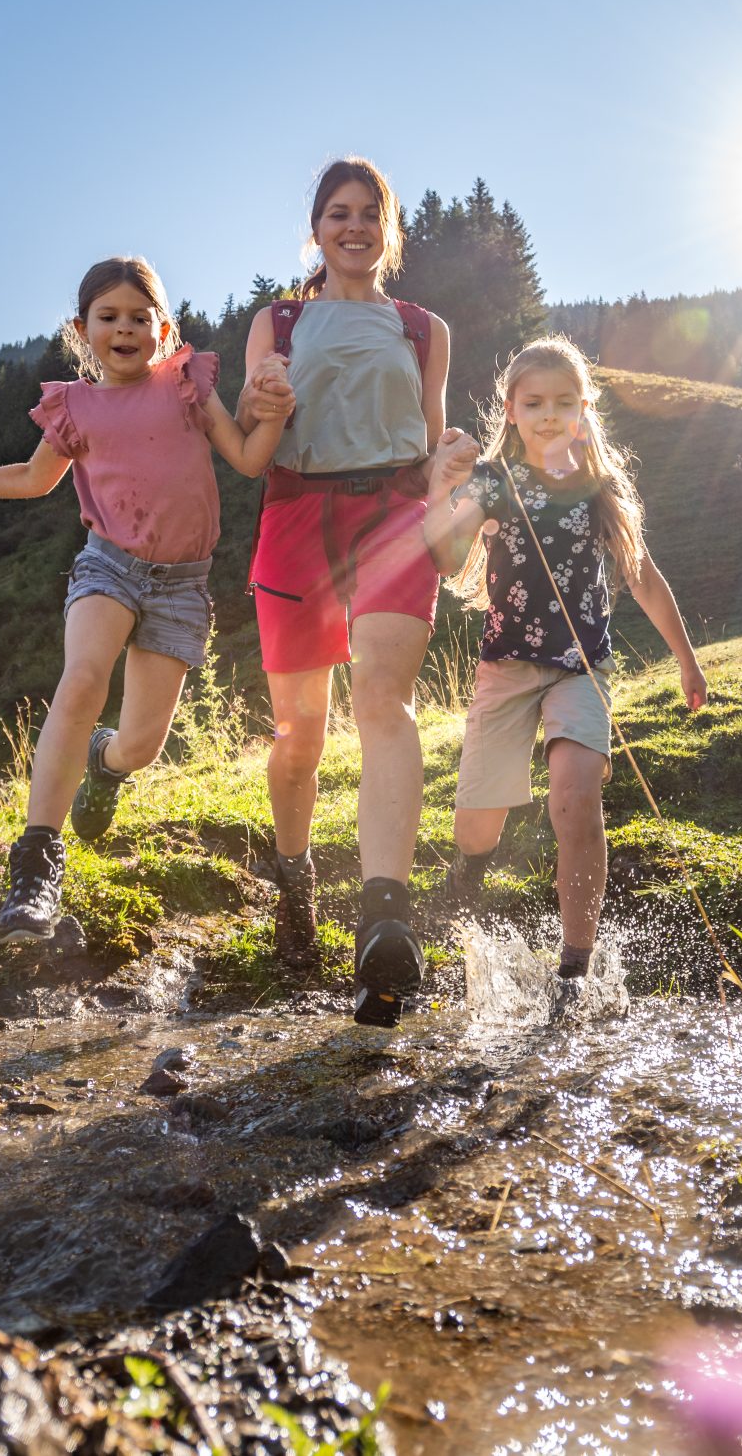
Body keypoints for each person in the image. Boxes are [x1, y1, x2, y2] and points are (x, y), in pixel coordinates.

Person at [0, 256, 291, 944]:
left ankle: (105, 765)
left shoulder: (186, 388)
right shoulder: (74, 406)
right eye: (108, 317)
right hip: (108, 564)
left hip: (181, 584)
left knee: (142, 743)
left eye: (140, 317)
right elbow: (30, 479)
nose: (125, 328)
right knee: (81, 680)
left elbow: (250, 458)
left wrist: (276, 414)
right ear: (82, 331)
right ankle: (36, 868)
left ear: (163, 328)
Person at [422, 335, 707, 1020]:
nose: (549, 414)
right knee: (477, 826)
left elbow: (641, 575)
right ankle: (468, 873)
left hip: (582, 668)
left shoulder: (600, 488)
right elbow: (445, 554)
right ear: (511, 408)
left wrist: (686, 658)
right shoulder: (493, 480)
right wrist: (441, 488)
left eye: (563, 402)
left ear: (584, 409)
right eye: (534, 402)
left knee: (575, 802)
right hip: (506, 667)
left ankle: (573, 973)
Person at [238, 157, 457, 1026]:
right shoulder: (280, 319)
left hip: (396, 513)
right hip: (298, 511)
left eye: (370, 213)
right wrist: (262, 393)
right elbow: (259, 419)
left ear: (388, 229)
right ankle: (295, 879)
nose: (354, 225)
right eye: (339, 213)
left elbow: (434, 436)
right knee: (300, 737)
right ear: (317, 228)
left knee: (384, 703)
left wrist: (455, 464)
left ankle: (381, 926)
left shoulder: (423, 326)